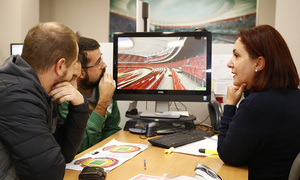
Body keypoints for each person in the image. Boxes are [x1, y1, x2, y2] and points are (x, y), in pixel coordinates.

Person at [0, 22, 89, 180]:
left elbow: (65, 153)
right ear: (60, 65)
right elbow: (48, 172)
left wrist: (80, 106)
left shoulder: (41, 89)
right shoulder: (16, 96)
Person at [217, 24, 300, 180]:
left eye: (236, 55)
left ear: (259, 64)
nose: (230, 63)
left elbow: (227, 154)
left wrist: (229, 105)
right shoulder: (294, 97)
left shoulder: (256, 106)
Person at [59, 36, 121, 153]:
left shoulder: (103, 85)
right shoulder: (65, 96)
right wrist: (102, 103)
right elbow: (79, 147)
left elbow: (112, 128)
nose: (104, 65)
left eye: (101, 59)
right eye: (98, 63)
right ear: (81, 72)